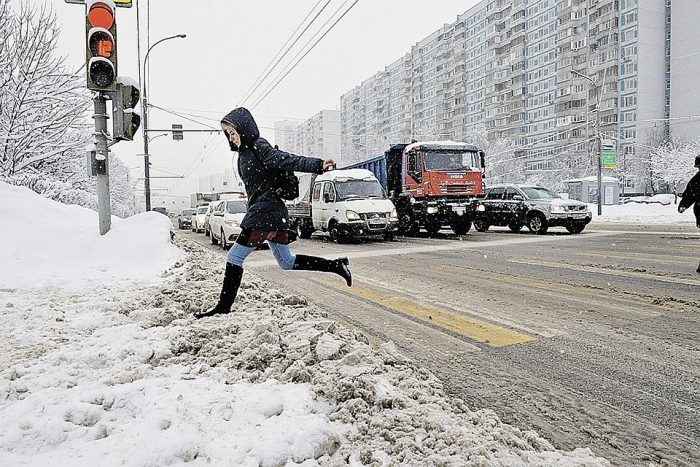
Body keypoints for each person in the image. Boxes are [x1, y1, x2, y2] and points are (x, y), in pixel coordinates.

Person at [194, 107, 352, 319]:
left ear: (244, 129)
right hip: (268, 212)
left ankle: (223, 307)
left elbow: (284, 159)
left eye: (233, 132)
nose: (231, 138)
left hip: (265, 212)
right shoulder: (244, 155)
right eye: (228, 134)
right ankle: (336, 265)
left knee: (234, 256)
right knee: (286, 262)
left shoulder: (259, 145)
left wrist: (317, 165)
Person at [678, 154, 700, 273]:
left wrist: (684, 205)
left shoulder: (696, 179)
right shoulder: (696, 179)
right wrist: (683, 205)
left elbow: (690, 194)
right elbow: (690, 194)